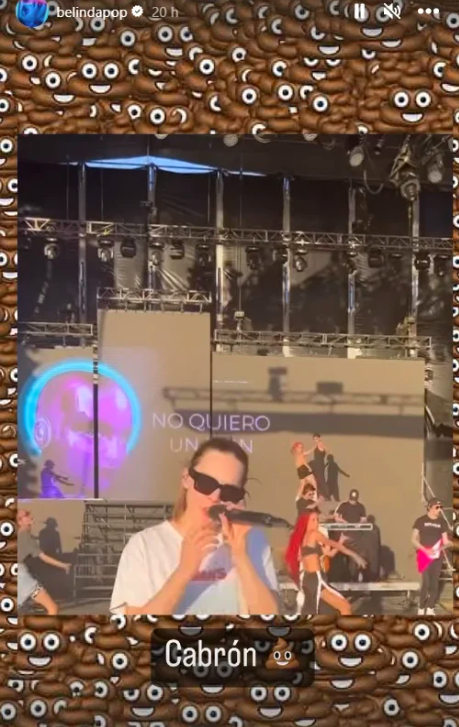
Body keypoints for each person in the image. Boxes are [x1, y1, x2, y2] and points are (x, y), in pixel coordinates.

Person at [110, 438, 279, 615]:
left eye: (229, 492)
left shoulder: (253, 540)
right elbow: (136, 628)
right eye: (206, 484)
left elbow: (270, 620)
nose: (215, 497)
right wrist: (184, 572)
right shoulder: (145, 546)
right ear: (186, 479)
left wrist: (241, 556)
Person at [285, 511, 366, 615]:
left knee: (337, 608)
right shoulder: (314, 534)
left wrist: (340, 541)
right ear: (306, 522)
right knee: (344, 607)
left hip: (308, 579)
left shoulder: (304, 539)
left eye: (317, 520)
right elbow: (334, 544)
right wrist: (355, 556)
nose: (316, 523)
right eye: (313, 520)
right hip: (316, 578)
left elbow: (329, 554)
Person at [18, 509, 71, 614]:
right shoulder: (26, 536)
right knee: (53, 608)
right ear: (20, 521)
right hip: (22, 575)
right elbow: (42, 556)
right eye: (26, 516)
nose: (31, 517)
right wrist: (63, 565)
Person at [412, 498, 451, 616]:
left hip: (437, 557)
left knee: (434, 582)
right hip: (424, 556)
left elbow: (446, 541)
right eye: (436, 507)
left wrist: (446, 545)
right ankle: (421, 607)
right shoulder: (420, 521)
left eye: (440, 507)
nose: (439, 510)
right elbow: (413, 539)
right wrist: (425, 550)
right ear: (429, 507)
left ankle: (430, 607)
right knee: (426, 582)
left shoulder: (442, 522)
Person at [304, 434, 329, 500]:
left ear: (319, 438)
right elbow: (326, 450)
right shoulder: (317, 445)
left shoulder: (320, 444)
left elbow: (327, 449)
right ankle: (318, 494)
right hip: (317, 465)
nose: (315, 440)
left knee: (321, 480)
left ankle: (326, 495)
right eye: (314, 439)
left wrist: (323, 450)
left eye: (316, 439)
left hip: (319, 466)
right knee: (317, 479)